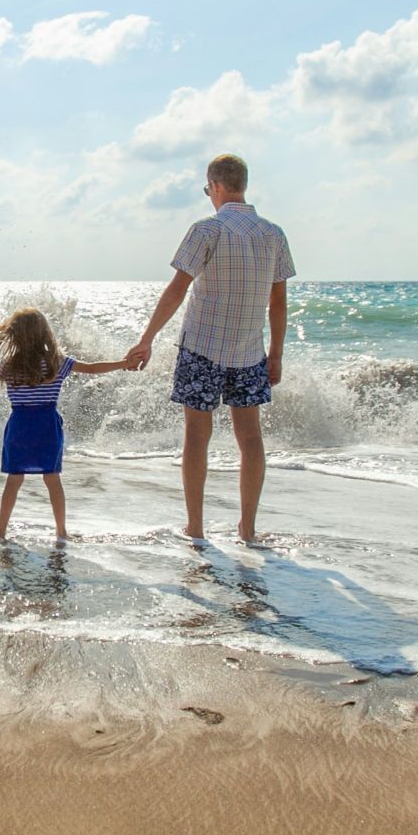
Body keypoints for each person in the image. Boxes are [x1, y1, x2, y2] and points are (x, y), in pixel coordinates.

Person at [125, 154, 295, 545]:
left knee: (197, 437)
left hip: (201, 348)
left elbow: (177, 290)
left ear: (215, 186)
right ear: (243, 185)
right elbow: (279, 303)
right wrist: (277, 354)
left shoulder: (207, 230)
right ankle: (247, 529)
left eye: (207, 189)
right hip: (250, 352)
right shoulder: (273, 234)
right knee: (250, 439)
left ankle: (196, 528)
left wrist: (147, 338)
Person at [0, 307, 131, 542]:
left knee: (14, 479)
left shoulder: (8, 364)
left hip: (20, 425)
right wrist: (124, 363)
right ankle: (61, 532)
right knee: (52, 478)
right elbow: (92, 368)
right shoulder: (57, 362)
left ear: (15, 336)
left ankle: (1, 531)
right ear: (44, 333)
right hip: (47, 425)